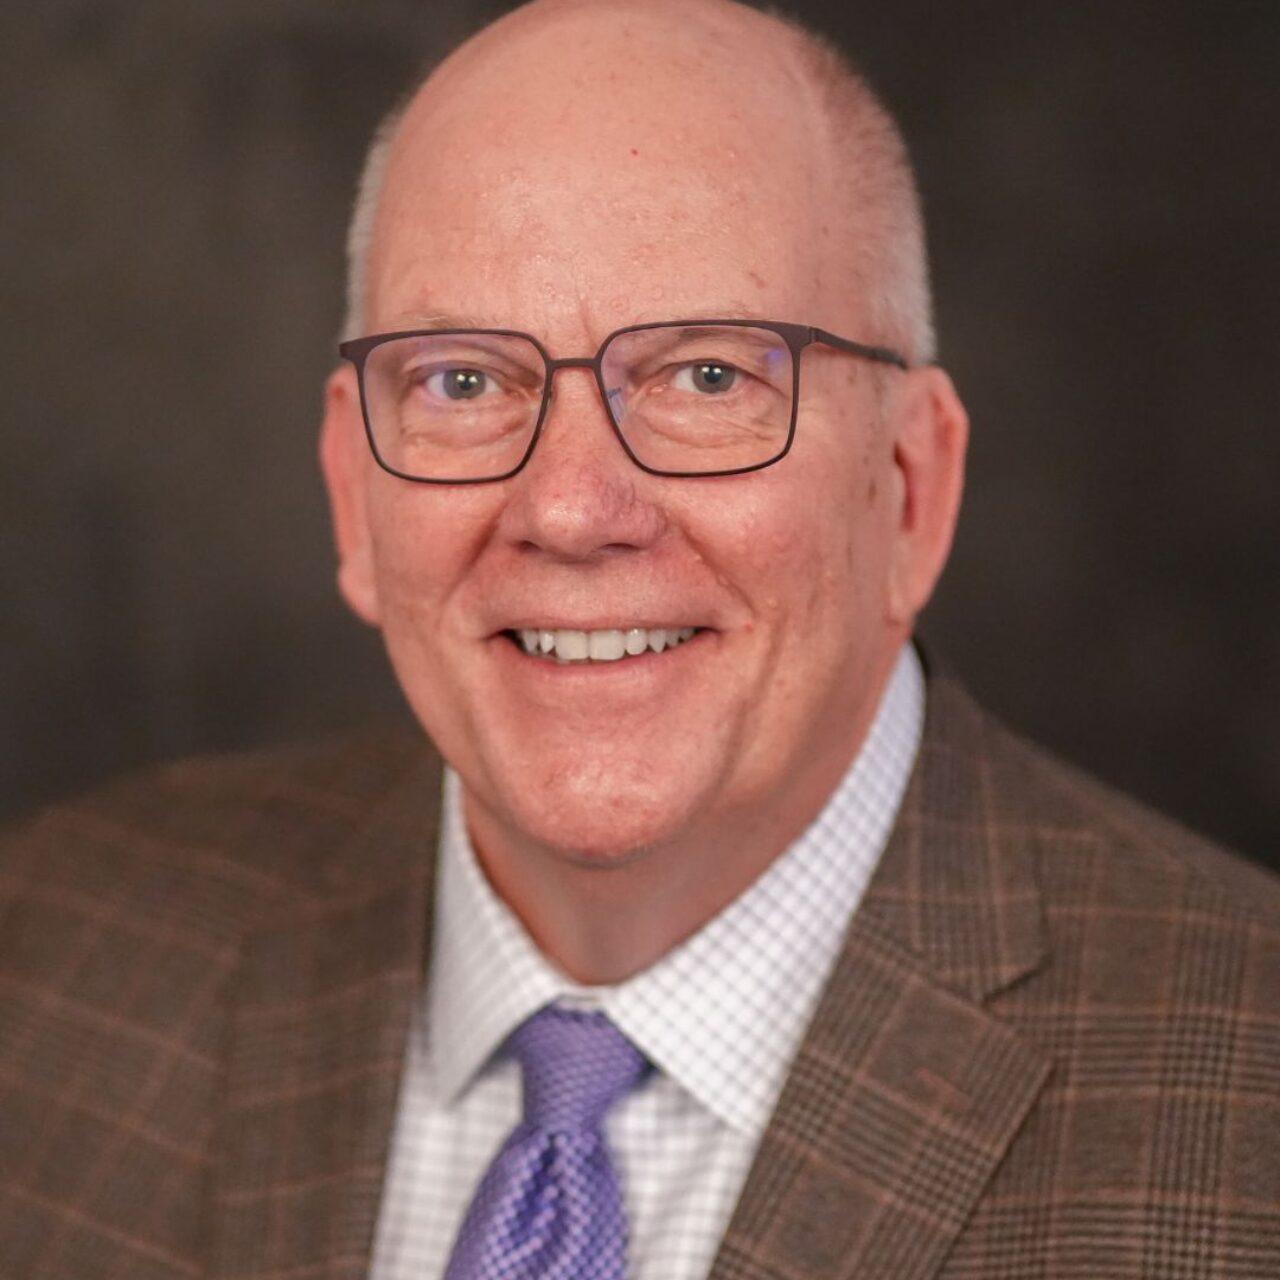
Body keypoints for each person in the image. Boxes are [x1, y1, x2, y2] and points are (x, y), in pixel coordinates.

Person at [2, 1, 1277, 1277]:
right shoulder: (50, 950)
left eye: (707, 376)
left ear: (908, 488)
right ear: (351, 490)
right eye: (461, 380)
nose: (568, 509)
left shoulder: (1245, 1114)